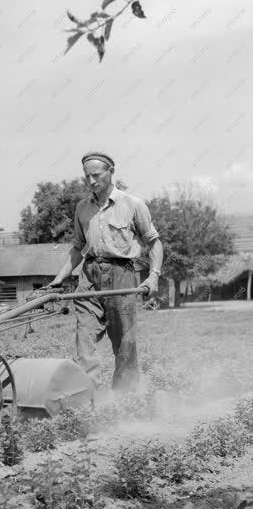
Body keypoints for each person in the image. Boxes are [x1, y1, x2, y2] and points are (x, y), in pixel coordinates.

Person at [47, 153, 163, 392]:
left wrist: (154, 276)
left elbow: (154, 243)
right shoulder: (81, 208)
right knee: (84, 335)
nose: (91, 181)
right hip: (89, 276)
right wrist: (57, 280)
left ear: (111, 171)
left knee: (124, 342)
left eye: (96, 175)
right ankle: (86, 397)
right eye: (86, 176)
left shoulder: (132, 204)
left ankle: (125, 398)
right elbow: (78, 248)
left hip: (122, 275)